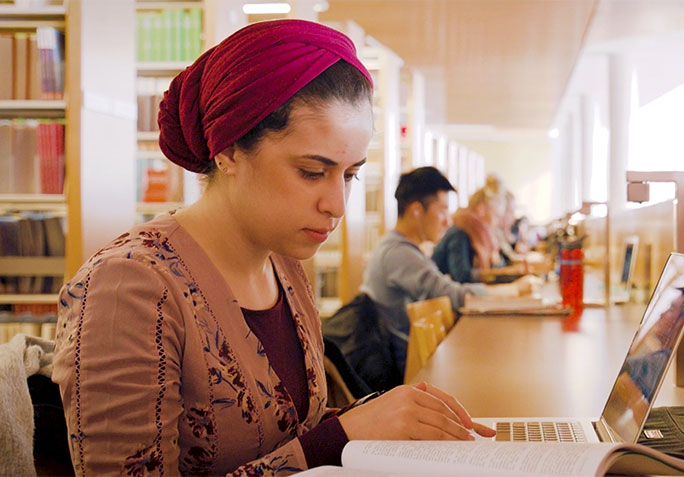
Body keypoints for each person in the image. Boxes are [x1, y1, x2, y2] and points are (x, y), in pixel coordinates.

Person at [52, 20, 494, 476]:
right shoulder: (129, 287)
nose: (337, 205)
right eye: (310, 171)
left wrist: (379, 420)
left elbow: (282, 431)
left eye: (349, 174)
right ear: (228, 152)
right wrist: (339, 437)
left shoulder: (283, 264)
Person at [359, 167, 488, 380]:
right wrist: (509, 292)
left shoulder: (398, 247)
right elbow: (450, 294)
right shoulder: (398, 253)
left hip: (409, 361)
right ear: (416, 210)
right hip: (403, 371)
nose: (448, 220)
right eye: (443, 210)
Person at [431, 187, 524, 283]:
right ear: (481, 209)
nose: (498, 223)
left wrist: (511, 273)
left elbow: (497, 264)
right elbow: (461, 276)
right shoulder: (459, 232)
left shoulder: (482, 236)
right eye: (496, 216)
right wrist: (503, 274)